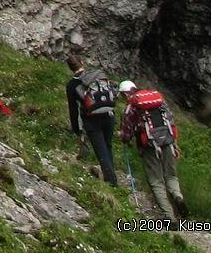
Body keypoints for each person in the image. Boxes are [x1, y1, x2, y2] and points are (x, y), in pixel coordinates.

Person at [118, 80, 186, 219]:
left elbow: (126, 133)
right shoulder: (158, 101)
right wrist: (175, 144)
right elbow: (170, 121)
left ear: (125, 94)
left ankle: (169, 217)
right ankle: (178, 196)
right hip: (167, 141)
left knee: (156, 181)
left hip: (149, 146)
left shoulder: (131, 107)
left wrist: (124, 138)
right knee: (171, 175)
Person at [65, 55, 117, 185]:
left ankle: (112, 182)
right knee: (108, 145)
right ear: (82, 62)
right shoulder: (97, 75)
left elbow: (74, 110)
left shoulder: (72, 85)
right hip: (108, 114)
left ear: (70, 68)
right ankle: (112, 175)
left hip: (92, 120)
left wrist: (77, 130)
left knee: (101, 150)